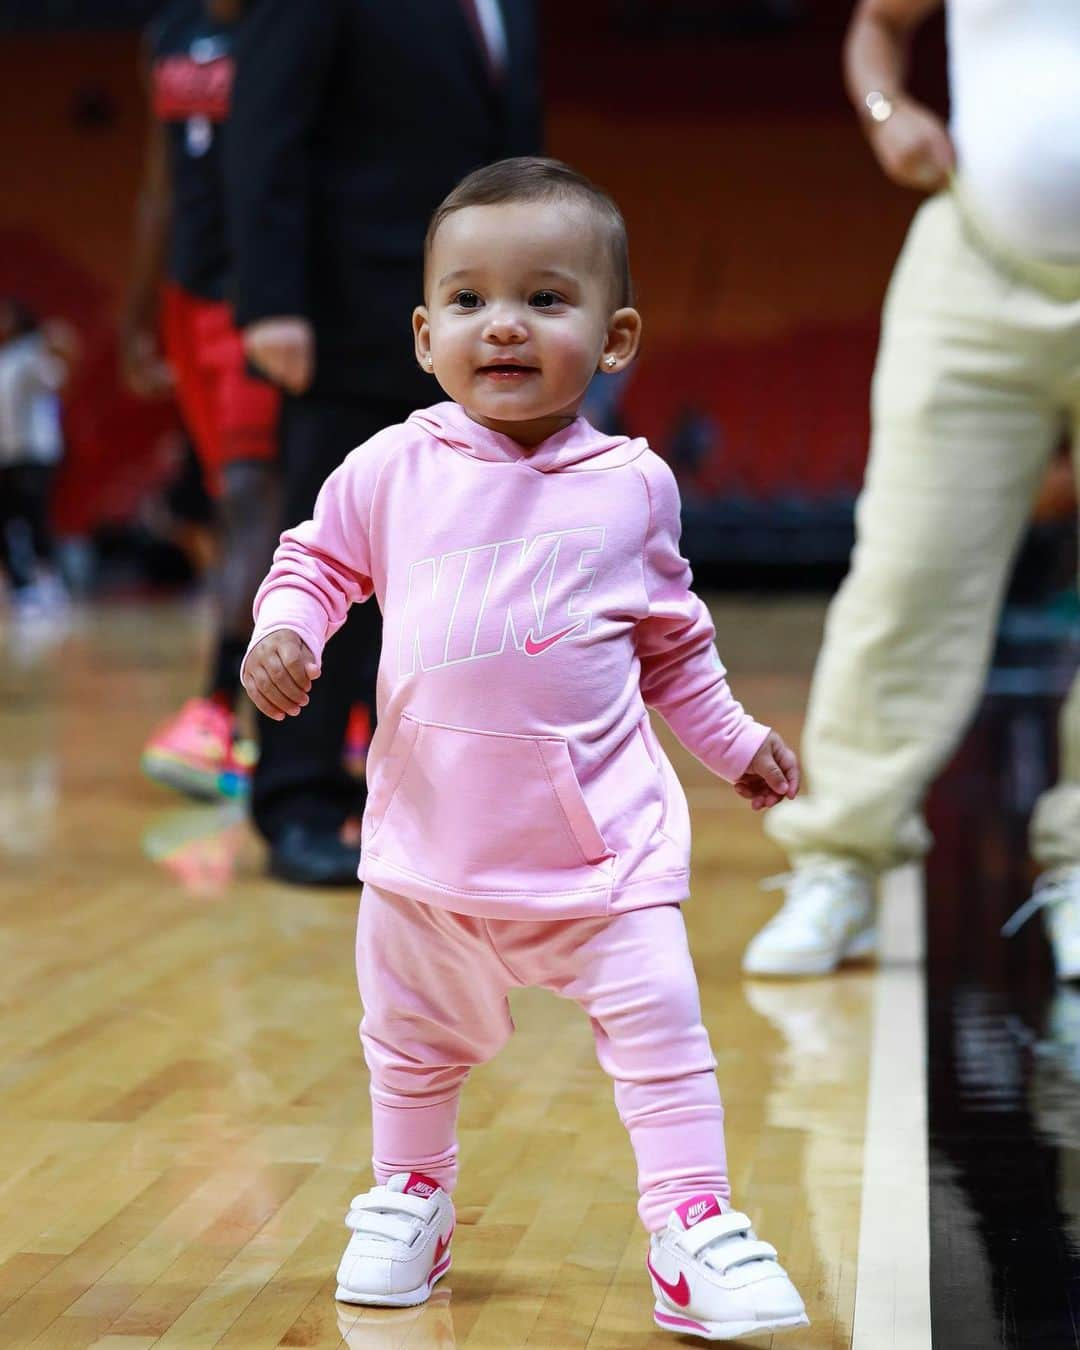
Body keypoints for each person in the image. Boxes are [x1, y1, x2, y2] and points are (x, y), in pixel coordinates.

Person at [241, 158, 809, 1342]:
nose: (503, 322)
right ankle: (412, 1196)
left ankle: (691, 1226)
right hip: (428, 852)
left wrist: (736, 744)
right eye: (469, 299)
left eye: (546, 299)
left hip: (598, 855)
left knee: (663, 1032)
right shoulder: (389, 468)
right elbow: (315, 564)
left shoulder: (633, 487)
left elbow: (672, 653)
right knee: (405, 1045)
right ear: (423, 332)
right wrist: (285, 631)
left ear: (614, 337)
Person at [743, 0, 1080, 980]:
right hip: (973, 264)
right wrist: (887, 107)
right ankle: (839, 867)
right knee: (908, 576)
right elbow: (878, 26)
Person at [224, 0, 541, 885]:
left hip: (473, 325)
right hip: (342, 317)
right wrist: (271, 299)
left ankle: (428, 804)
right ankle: (300, 798)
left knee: (461, 571)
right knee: (328, 563)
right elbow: (263, 127)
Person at [123, 0, 282, 802]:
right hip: (190, 301)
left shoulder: (291, 25)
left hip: (262, 296)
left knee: (258, 495)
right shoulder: (168, 33)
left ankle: (218, 711)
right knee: (235, 501)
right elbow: (159, 180)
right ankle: (312, 716)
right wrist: (137, 309)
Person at [0, 299, 78, 618]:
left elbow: (56, 381)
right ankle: (21, 587)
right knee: (5, 520)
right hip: (5, 453)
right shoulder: (4, 358)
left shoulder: (32, 353)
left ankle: (49, 582)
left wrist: (59, 349)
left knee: (35, 518)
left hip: (32, 453)